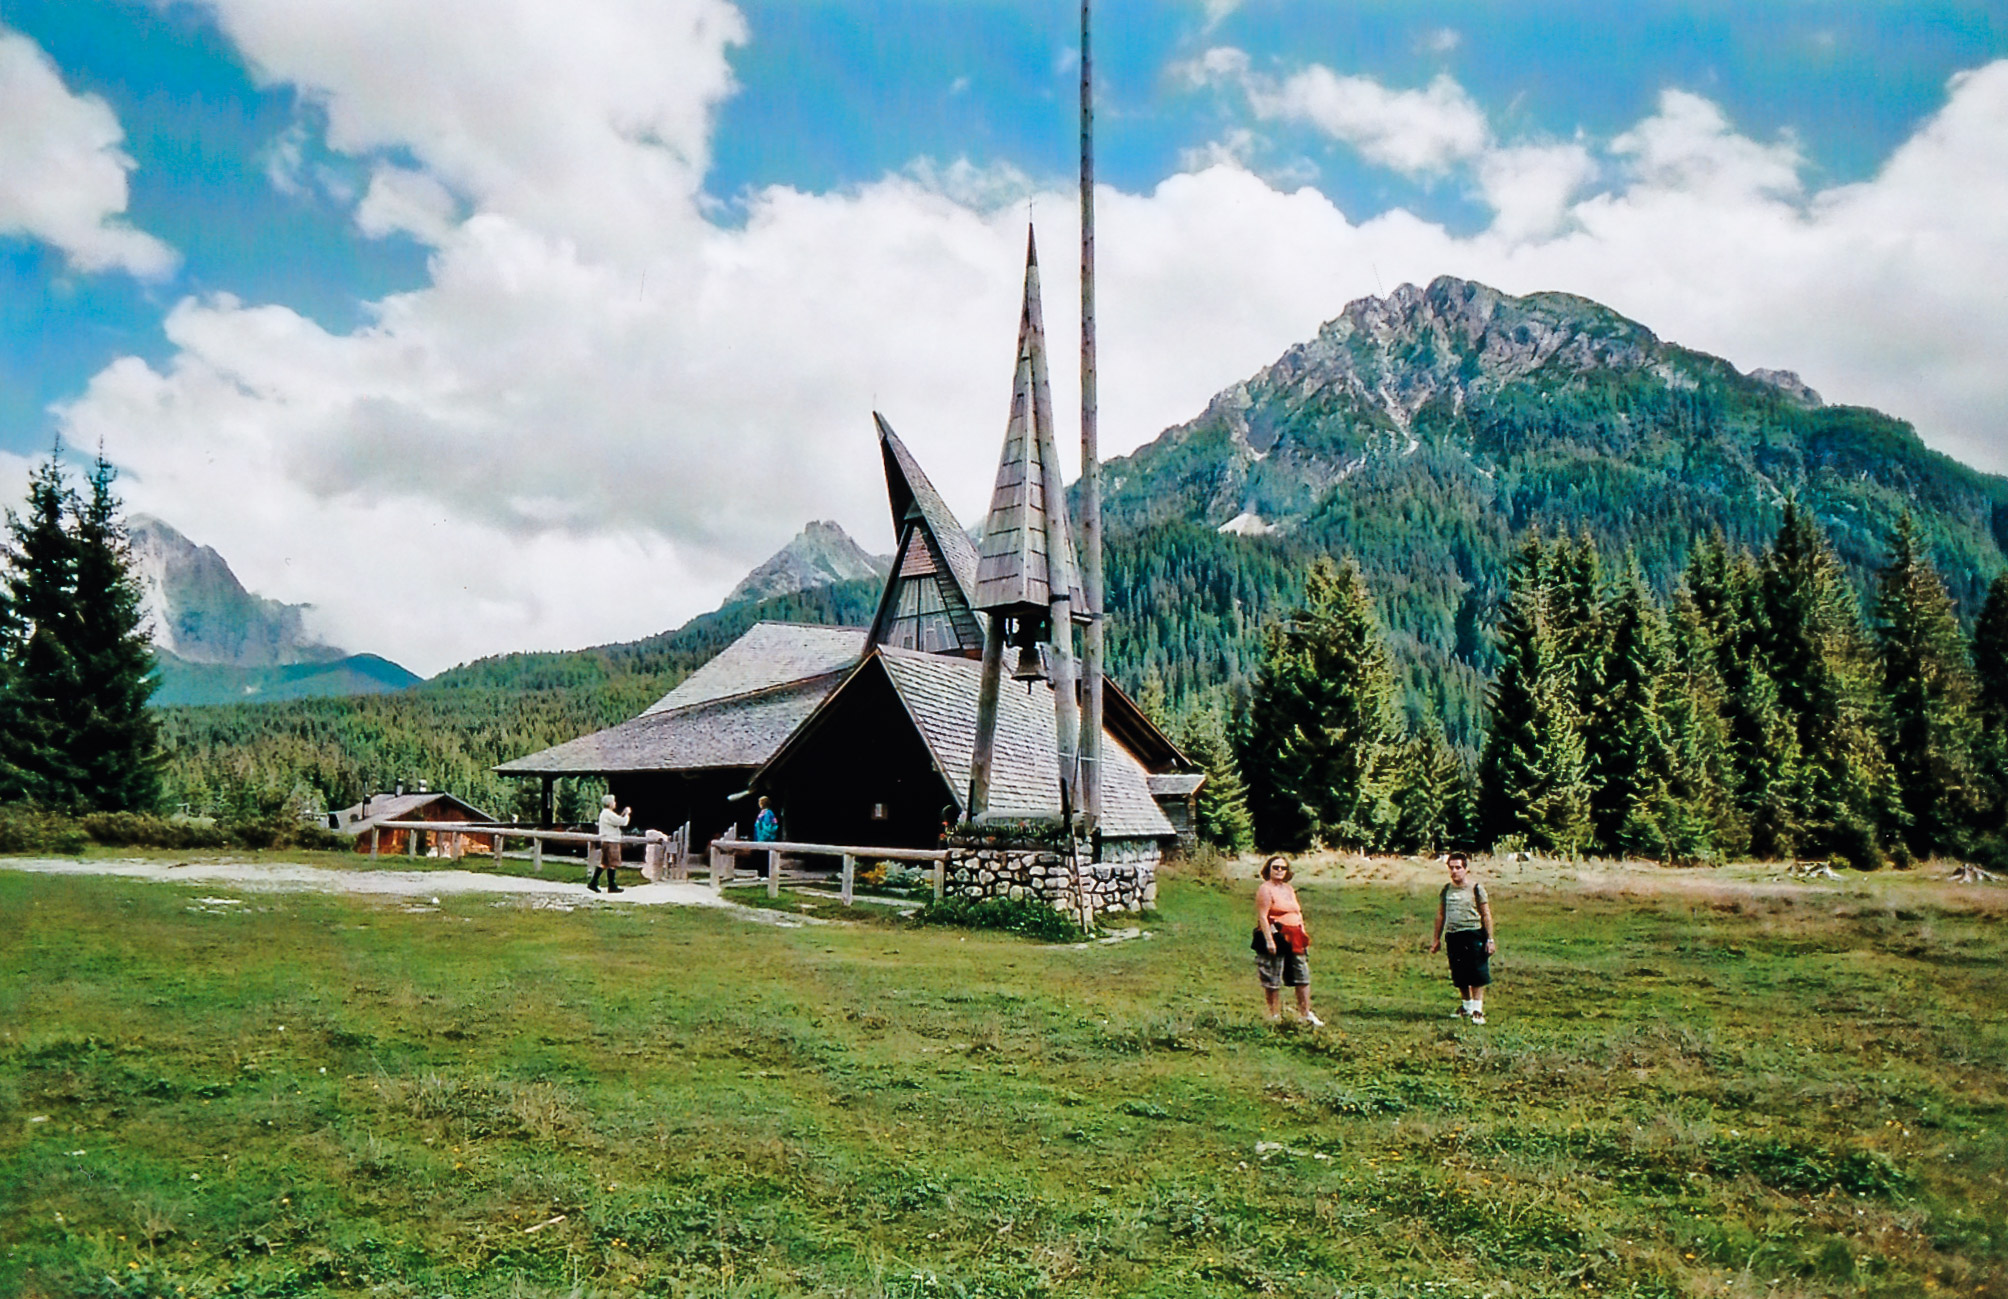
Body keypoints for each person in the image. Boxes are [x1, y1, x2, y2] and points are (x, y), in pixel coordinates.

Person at [1253, 854, 1323, 1027]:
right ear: (1268, 869)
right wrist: (1269, 940)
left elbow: (1297, 912)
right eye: (1275, 867)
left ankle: (1305, 1013)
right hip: (1277, 935)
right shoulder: (1265, 889)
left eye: (1282, 868)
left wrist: (1303, 932)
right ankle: (1274, 1014)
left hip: (1295, 936)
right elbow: (1263, 915)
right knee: (1272, 976)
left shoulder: (1289, 889)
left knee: (1302, 975)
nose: (1279, 871)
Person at [1429, 851, 1496, 1023]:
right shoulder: (1446, 890)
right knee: (1459, 974)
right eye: (1451, 868)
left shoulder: (1476, 888)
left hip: (1473, 933)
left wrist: (1490, 939)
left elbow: (1486, 915)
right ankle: (1466, 1006)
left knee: (1477, 972)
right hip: (1453, 935)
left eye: (1458, 867)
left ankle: (1477, 1010)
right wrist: (1436, 939)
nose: (1454, 871)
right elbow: (1440, 915)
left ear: (1466, 869)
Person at [592, 794, 630, 894]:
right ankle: (611, 885)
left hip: (606, 840)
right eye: (613, 801)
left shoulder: (605, 814)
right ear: (609, 803)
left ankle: (593, 882)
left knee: (604, 863)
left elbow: (616, 820)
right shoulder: (608, 814)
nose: (615, 803)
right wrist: (627, 814)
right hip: (611, 841)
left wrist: (622, 815)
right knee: (613, 863)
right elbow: (622, 822)